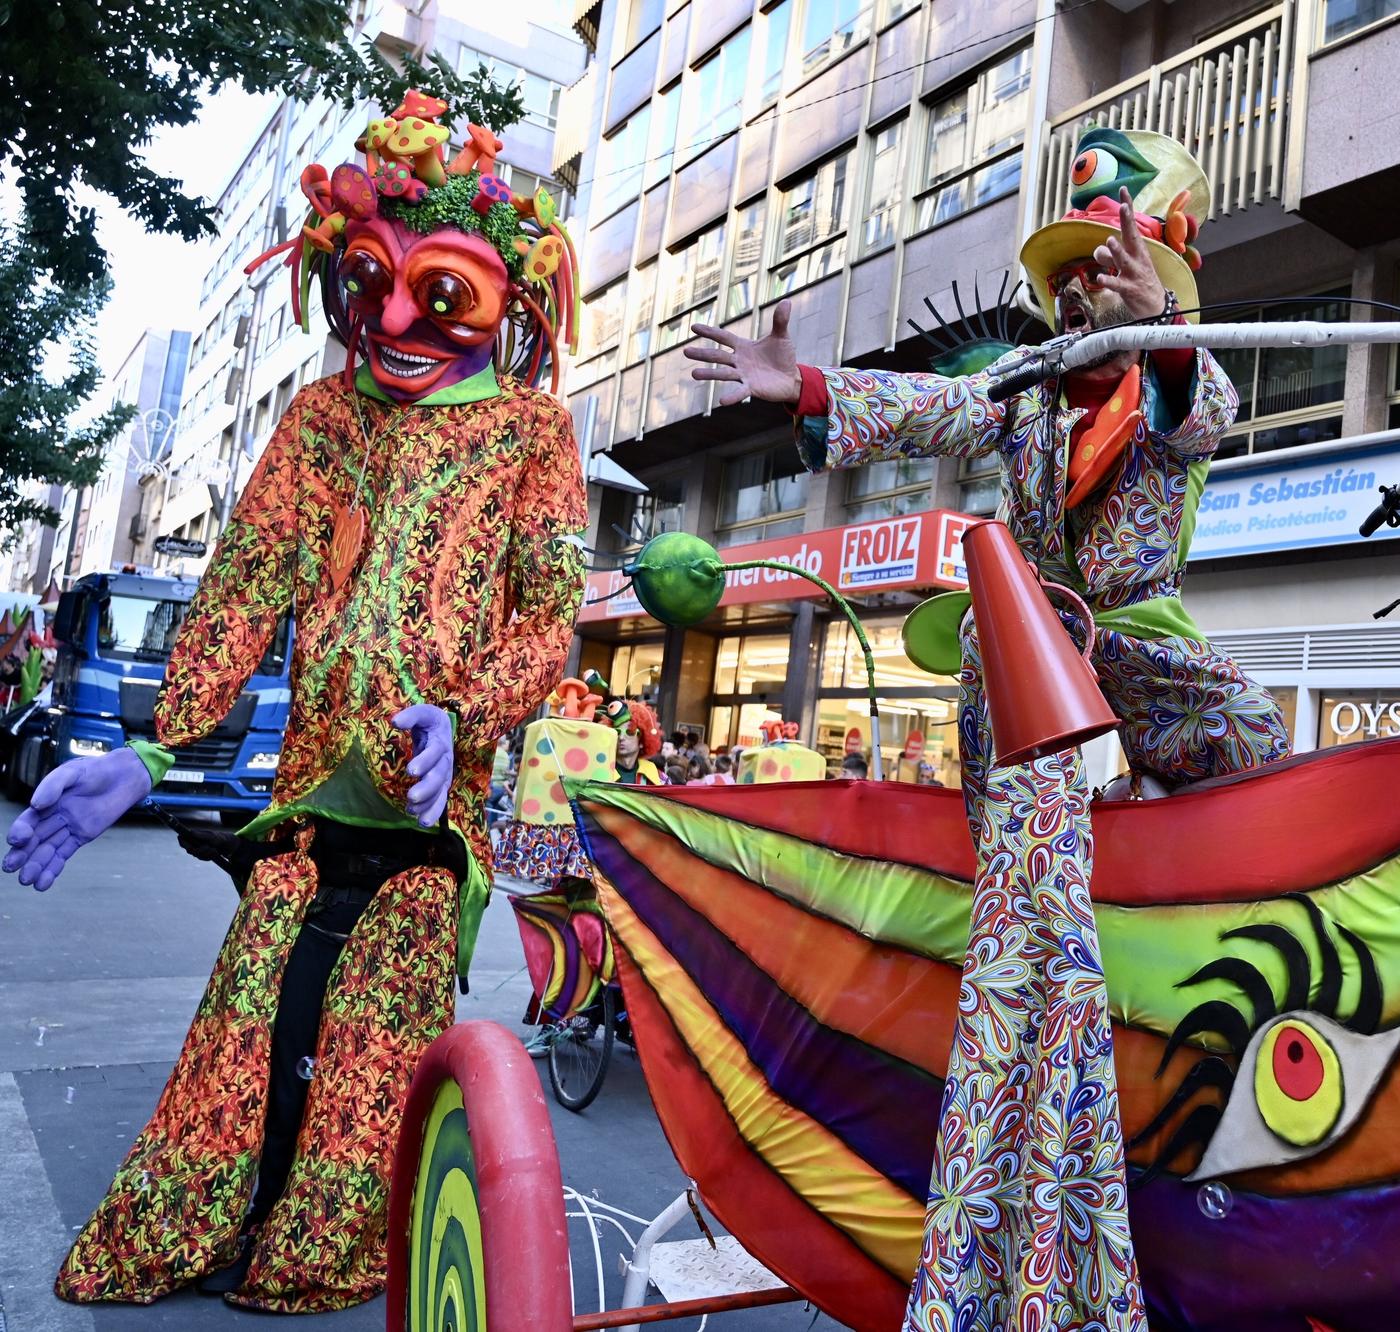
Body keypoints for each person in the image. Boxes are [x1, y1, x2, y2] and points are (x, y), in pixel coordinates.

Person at [687, 128, 1288, 1325]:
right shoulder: (1019, 404)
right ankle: (1026, 960)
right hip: (1026, 657)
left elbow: (1197, 406)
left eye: (1111, 270)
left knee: (1254, 738)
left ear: (1164, 283)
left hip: (1139, 644)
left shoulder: (1177, 383)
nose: (1081, 293)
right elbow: (927, 408)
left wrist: (1159, 334)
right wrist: (801, 389)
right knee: (1013, 774)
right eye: (1067, 276)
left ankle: (1212, 908)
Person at [4, 88, 585, 1312]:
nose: (390, 321)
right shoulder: (317, 418)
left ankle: (323, 1239)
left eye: (439, 294)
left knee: (377, 1040)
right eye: (364, 284)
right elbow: (240, 596)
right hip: (305, 811)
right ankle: (212, 1222)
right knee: (245, 1031)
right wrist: (148, 756)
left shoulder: (534, 431)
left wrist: (460, 718)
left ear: (503, 306)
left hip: (431, 829)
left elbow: (549, 616)